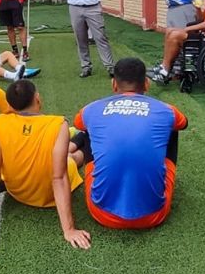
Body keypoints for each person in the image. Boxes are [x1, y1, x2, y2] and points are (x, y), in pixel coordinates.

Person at [0, 80, 92, 250]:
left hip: (18, 193)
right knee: (71, 158)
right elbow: (59, 177)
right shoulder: (58, 123)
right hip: (48, 194)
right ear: (37, 98)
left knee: (64, 154)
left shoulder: (0, 123)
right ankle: (83, 137)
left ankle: (79, 138)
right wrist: (69, 229)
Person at [74, 58, 188, 229]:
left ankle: (73, 154)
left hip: (101, 214)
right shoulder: (167, 110)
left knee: (88, 130)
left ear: (114, 84)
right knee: (172, 128)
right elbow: (184, 123)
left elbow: (78, 124)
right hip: (154, 215)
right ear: (147, 84)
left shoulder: (91, 109)